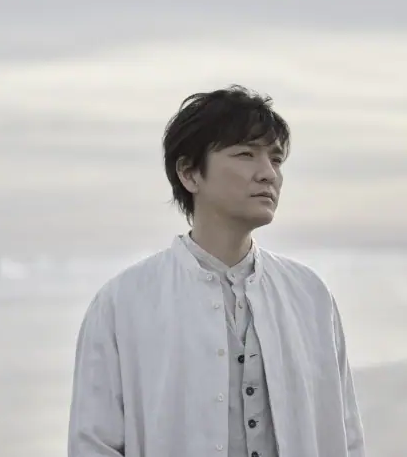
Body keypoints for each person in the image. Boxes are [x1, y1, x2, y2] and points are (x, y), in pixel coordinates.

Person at [68, 85, 365, 457]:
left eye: (276, 159)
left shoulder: (310, 295)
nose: (268, 174)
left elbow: (345, 436)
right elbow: (93, 445)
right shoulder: (123, 302)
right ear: (190, 173)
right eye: (245, 154)